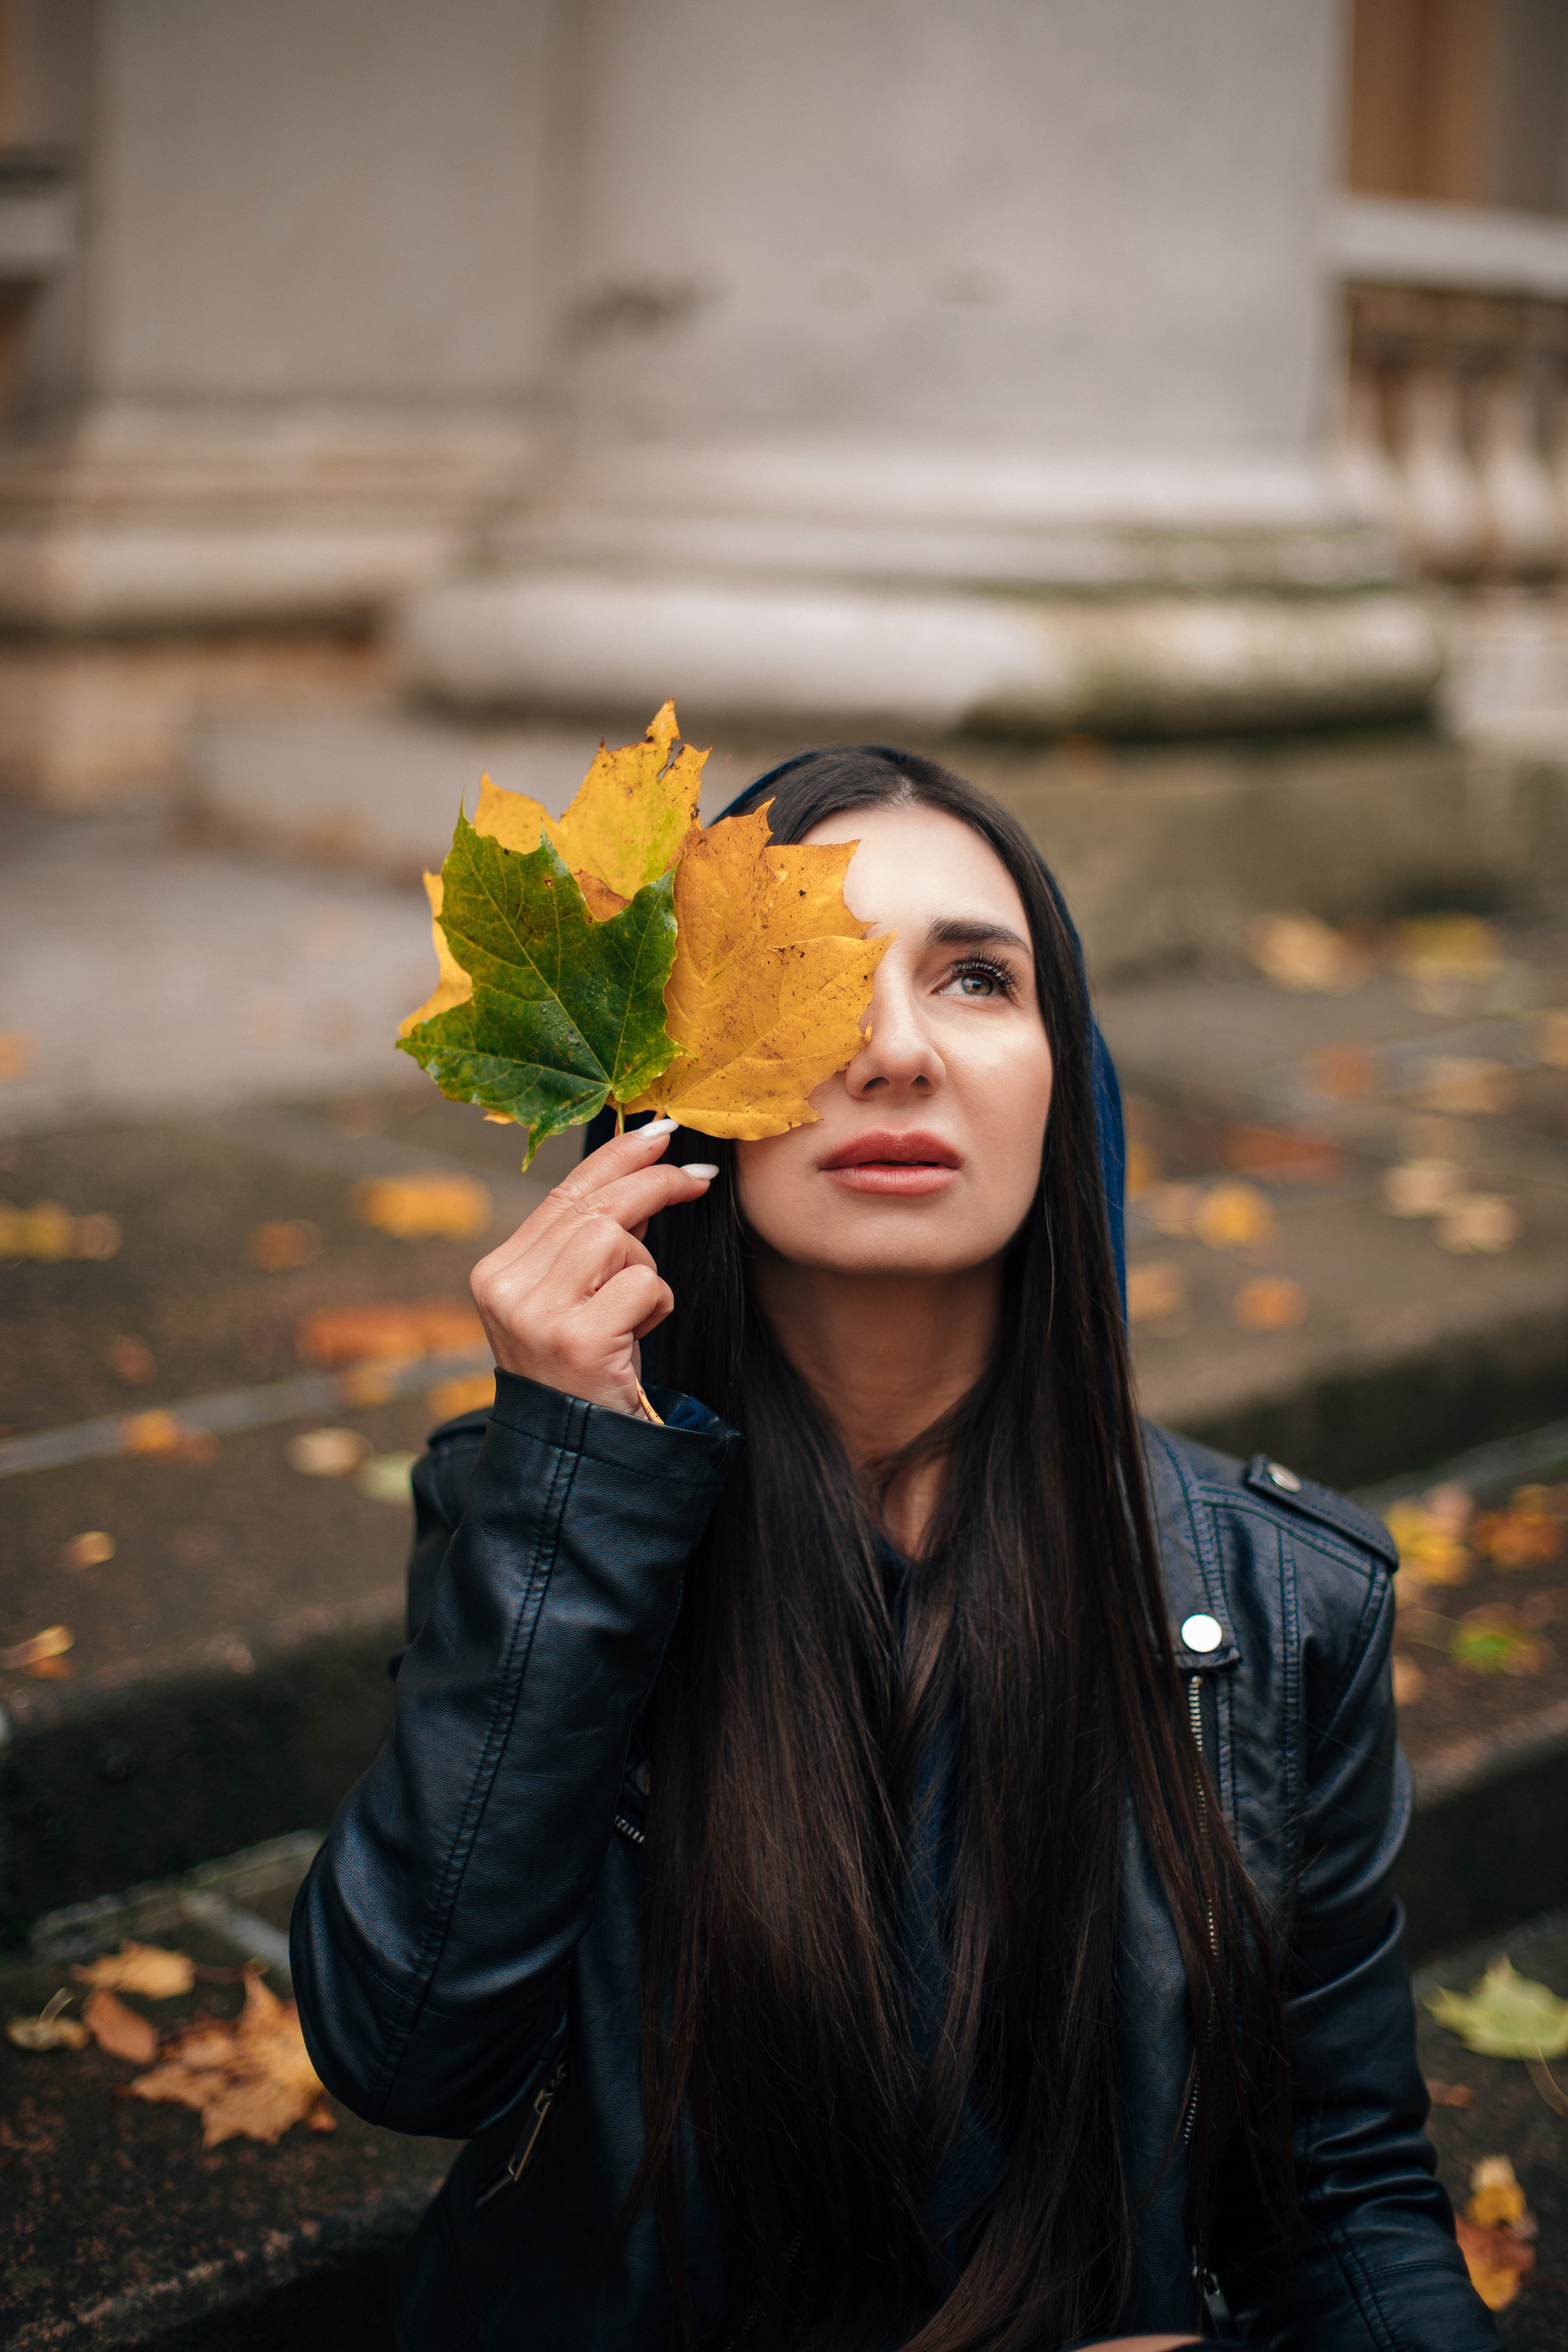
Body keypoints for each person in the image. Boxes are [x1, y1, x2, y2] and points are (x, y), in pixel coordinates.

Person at [291, 748, 1499, 2352]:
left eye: (977, 979)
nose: (895, 1049)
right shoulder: (556, 1519)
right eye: (803, 980)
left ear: (1068, 1079)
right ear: (678, 1086)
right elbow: (409, 2055)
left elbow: (1341, 2193)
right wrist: (568, 1485)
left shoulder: (1288, 1605)